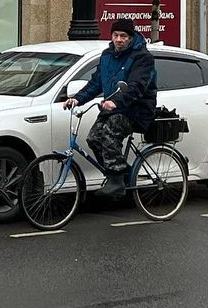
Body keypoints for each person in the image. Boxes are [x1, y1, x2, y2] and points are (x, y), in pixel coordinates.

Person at [64, 18, 157, 197]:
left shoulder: (142, 57)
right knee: (93, 138)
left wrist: (116, 102)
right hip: (114, 109)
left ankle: (115, 181)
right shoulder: (107, 56)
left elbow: (137, 85)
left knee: (108, 132)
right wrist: (77, 99)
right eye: (115, 35)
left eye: (123, 36)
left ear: (131, 37)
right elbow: (96, 83)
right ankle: (121, 174)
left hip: (136, 109)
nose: (119, 39)